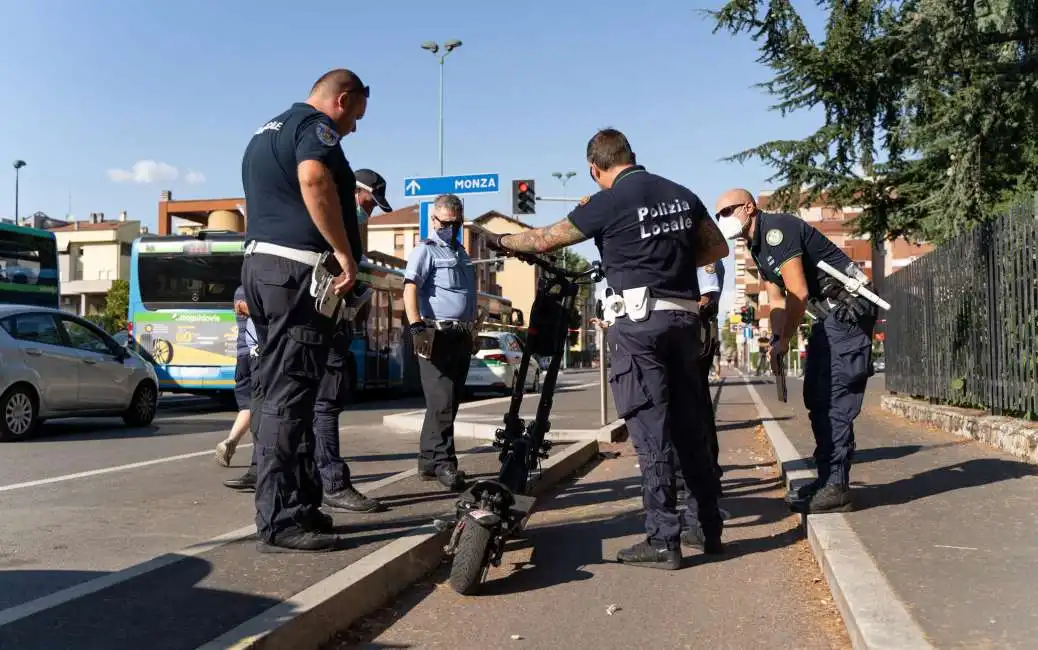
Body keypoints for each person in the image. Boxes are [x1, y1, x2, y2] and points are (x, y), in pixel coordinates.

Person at [488, 128, 730, 570]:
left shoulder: (607, 201)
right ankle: (707, 527)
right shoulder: (682, 194)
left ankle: (663, 540)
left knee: (651, 430)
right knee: (691, 427)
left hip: (639, 325)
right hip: (684, 319)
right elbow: (717, 248)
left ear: (595, 168)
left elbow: (544, 239)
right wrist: (668, 260)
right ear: (633, 156)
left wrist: (502, 241)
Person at [238, 68, 369, 553]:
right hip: (295, 274)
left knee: (293, 390)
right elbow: (313, 178)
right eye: (355, 115)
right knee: (289, 395)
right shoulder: (316, 131)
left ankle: (302, 505)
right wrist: (344, 252)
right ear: (342, 98)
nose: (353, 128)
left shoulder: (265, 132)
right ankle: (280, 519)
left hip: (266, 269)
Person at [713, 188, 878, 514]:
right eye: (719, 215)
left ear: (748, 207)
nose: (723, 219)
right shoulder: (757, 247)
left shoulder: (777, 232)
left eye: (728, 211)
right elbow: (776, 299)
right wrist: (777, 338)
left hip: (849, 310)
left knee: (835, 396)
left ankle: (837, 485)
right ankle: (826, 479)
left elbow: (798, 292)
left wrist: (786, 336)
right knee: (816, 396)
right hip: (829, 316)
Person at [404, 194, 478, 491]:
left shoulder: (462, 253)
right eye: (447, 223)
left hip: (460, 334)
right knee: (442, 400)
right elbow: (410, 288)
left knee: (448, 401)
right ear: (434, 220)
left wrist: (473, 328)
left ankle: (427, 461)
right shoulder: (425, 251)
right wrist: (416, 327)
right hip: (434, 333)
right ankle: (445, 463)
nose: (452, 228)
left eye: (457, 223)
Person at [215, 286, 258, 466]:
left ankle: (231, 440)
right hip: (257, 354)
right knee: (261, 403)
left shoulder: (239, 290)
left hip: (241, 354)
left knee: (247, 405)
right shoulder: (260, 289)